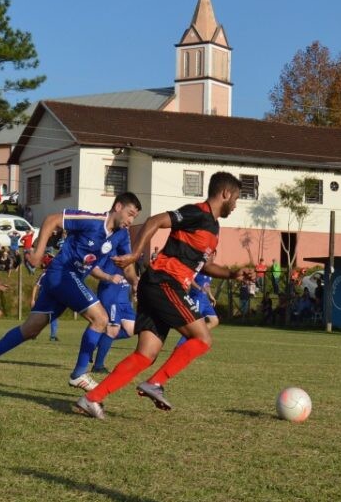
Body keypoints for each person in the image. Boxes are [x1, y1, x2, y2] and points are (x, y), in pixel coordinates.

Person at [75, 172, 255, 419]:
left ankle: (91, 399)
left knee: (144, 355)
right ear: (225, 194)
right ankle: (155, 383)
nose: (235, 204)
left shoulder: (213, 227)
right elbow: (154, 221)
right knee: (202, 339)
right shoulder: (196, 213)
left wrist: (234, 274)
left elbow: (206, 265)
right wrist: (134, 255)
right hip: (165, 282)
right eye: (235, 198)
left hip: (157, 285)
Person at [0, 193, 142, 393]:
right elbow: (52, 220)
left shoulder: (121, 235)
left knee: (31, 329)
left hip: (69, 280)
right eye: (130, 214)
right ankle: (79, 373)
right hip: (62, 273)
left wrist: (135, 282)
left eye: (134, 217)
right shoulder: (92, 221)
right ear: (118, 207)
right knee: (100, 319)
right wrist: (39, 253)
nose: (131, 220)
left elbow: (128, 265)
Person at [88, 249, 139, 376]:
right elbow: (94, 269)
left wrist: (135, 285)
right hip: (110, 295)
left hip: (124, 299)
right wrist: (109, 277)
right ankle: (98, 366)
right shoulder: (107, 250)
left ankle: (94, 342)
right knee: (112, 330)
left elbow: (130, 272)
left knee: (131, 330)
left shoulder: (127, 251)